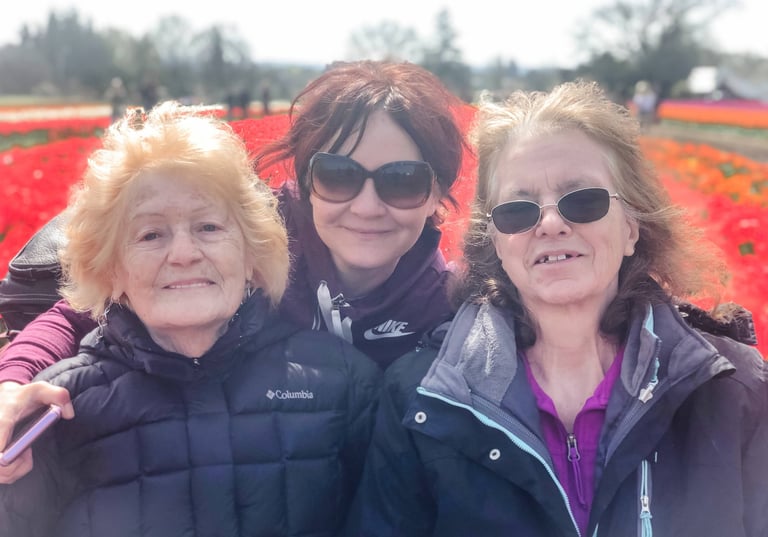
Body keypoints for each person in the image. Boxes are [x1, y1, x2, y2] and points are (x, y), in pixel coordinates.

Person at [0, 60, 467, 483]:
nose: (367, 206)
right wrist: (12, 383)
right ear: (305, 181)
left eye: (402, 181)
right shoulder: (252, 240)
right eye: (338, 175)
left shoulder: (445, 309)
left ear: (436, 195)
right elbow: (82, 312)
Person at [344, 80, 768, 537]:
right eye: (518, 209)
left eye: (582, 200)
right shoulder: (421, 399)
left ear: (631, 228)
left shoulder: (734, 391)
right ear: (497, 244)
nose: (549, 223)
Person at [0, 101, 381, 537]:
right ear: (111, 269)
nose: (184, 254)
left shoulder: (345, 384)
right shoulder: (58, 411)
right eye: (151, 234)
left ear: (252, 251)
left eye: (209, 228)